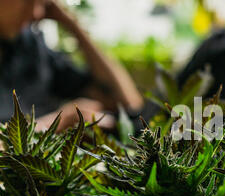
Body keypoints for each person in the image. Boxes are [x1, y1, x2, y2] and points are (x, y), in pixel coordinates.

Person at [0, 0, 145, 132]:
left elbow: (128, 104)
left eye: (42, 4)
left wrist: (70, 22)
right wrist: (58, 123)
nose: (37, 13)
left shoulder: (30, 46)